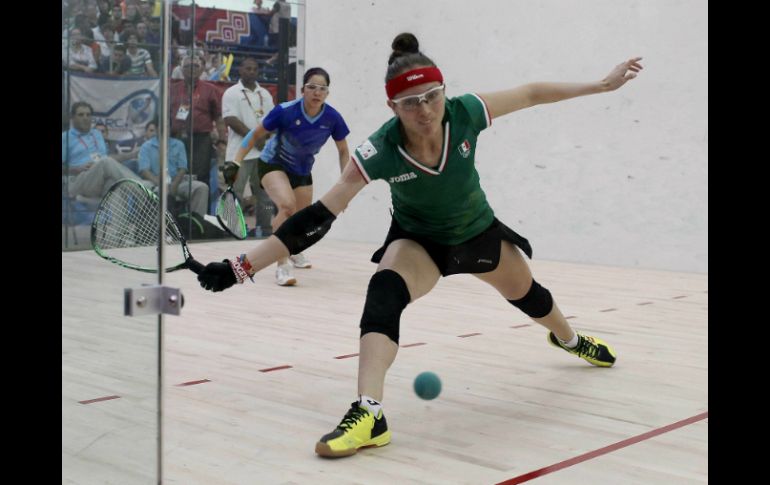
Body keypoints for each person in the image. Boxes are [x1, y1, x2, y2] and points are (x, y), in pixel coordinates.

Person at [194, 33, 643, 458]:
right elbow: (315, 219)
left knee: (532, 297)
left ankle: (569, 339)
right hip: (419, 243)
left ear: (443, 90)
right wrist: (240, 267)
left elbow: (529, 93)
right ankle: (369, 413)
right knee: (383, 292)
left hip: (478, 235)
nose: (425, 109)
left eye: (432, 95)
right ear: (392, 105)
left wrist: (602, 85)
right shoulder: (381, 150)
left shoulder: (465, 112)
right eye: (410, 103)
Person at [231, 67, 350, 286]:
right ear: (303, 89)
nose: (316, 92)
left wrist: (345, 185)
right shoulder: (284, 111)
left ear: (327, 93)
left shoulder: (333, 117)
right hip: (272, 164)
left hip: (302, 171)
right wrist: (236, 161)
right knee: (286, 207)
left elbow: (343, 151)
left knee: (301, 219)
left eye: (322, 88)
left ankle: (293, 250)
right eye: (312, 87)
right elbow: (254, 134)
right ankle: (282, 265)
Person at [221, 57, 275, 230]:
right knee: (234, 192)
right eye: (248, 68)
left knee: (265, 194)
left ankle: (265, 228)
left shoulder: (264, 94)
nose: (251, 71)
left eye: (254, 69)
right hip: (239, 153)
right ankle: (232, 229)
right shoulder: (231, 92)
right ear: (240, 70)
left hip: (262, 152)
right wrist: (255, 138)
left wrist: (262, 138)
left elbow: (273, 120)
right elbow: (230, 119)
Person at [62, 101, 148, 199]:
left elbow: (107, 159)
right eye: (81, 115)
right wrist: (76, 168)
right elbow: (105, 161)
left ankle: (141, 205)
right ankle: (146, 189)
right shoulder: (65, 137)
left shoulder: (97, 134)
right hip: (77, 180)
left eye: (88, 115)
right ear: (72, 118)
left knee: (116, 186)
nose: (85, 118)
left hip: (98, 178)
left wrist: (131, 155)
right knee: (105, 162)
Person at [137, 119, 209, 216]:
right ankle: (149, 224)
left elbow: (183, 168)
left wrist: (175, 184)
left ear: (170, 129)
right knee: (144, 187)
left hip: (177, 182)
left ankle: (196, 223)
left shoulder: (179, 145)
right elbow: (144, 170)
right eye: (161, 127)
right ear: (157, 129)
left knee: (201, 187)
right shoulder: (146, 146)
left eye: (167, 127)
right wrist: (159, 183)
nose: (164, 129)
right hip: (154, 181)